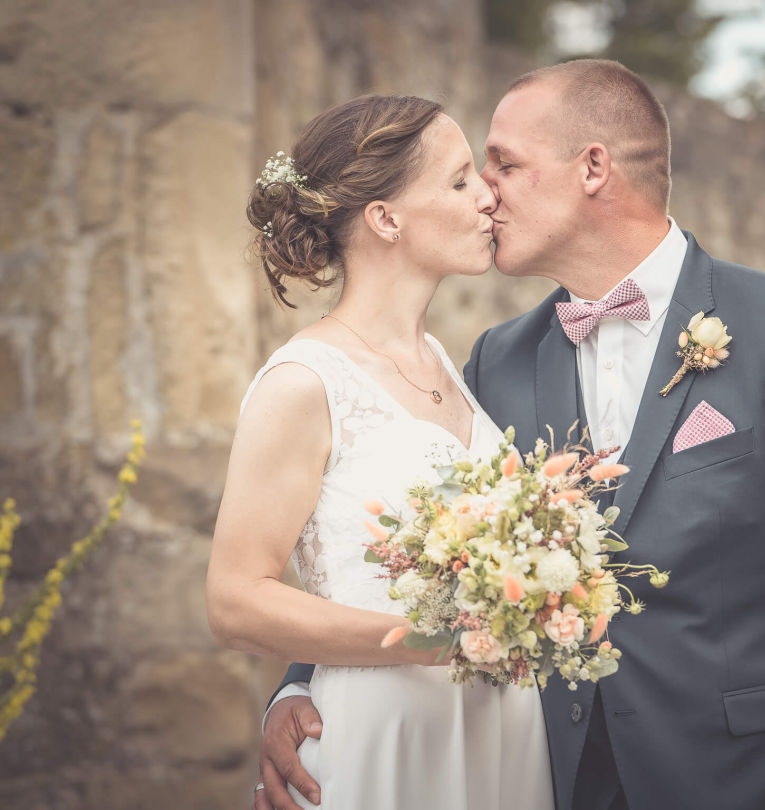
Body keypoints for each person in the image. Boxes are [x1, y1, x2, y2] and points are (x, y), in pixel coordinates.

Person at [261, 60, 765, 810]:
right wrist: (303, 684)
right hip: (550, 780)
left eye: (506, 165)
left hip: (755, 782)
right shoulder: (497, 360)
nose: (486, 193)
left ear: (593, 168)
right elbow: (409, 536)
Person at [205, 95, 554, 810]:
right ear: (386, 219)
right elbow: (234, 602)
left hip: (495, 731)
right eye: (460, 181)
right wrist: (428, 641)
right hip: (384, 737)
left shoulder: (443, 362)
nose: (488, 195)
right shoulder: (303, 383)